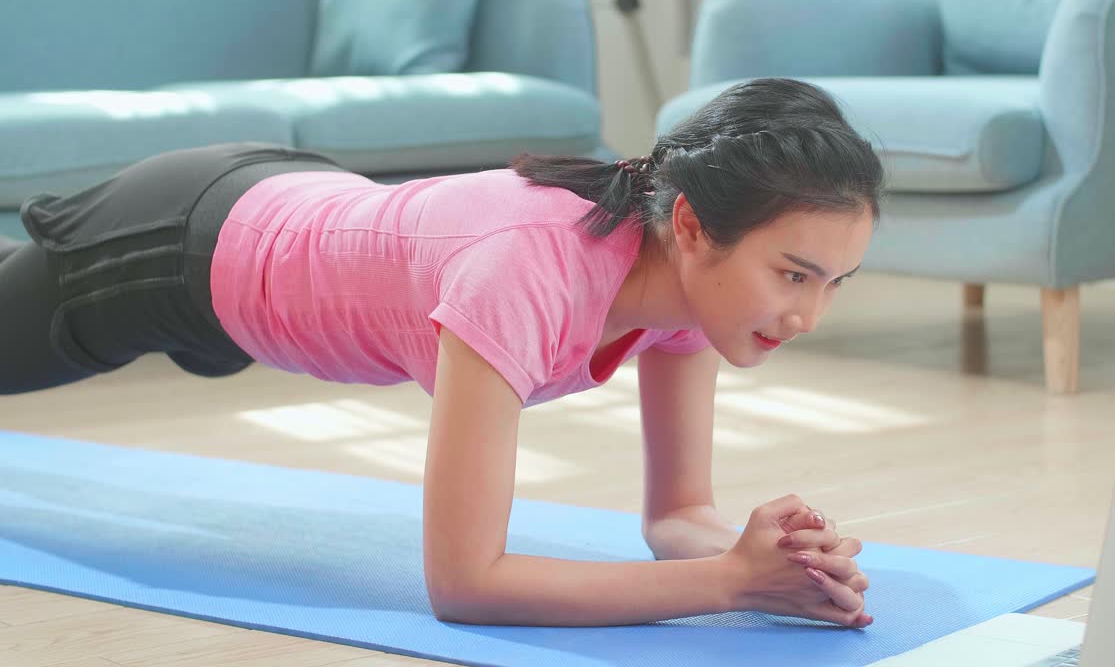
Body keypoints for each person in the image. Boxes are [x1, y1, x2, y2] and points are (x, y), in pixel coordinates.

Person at [0, 77, 883, 628]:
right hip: (173, 247)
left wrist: (779, 565)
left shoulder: (692, 293)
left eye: (837, 283)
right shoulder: (524, 272)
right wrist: (731, 585)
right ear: (692, 224)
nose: (807, 316)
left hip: (282, 205)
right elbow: (467, 584)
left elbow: (675, 517)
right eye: (793, 274)